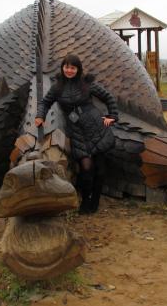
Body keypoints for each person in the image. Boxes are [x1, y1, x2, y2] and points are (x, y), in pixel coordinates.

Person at [35, 54, 118, 214]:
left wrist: (112, 116)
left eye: (73, 67)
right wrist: (40, 116)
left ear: (78, 69)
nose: (69, 70)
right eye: (67, 67)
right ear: (63, 67)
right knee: (86, 167)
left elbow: (108, 97)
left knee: (100, 169)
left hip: (96, 127)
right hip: (78, 131)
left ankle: (95, 202)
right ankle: (85, 201)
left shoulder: (86, 84)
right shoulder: (58, 87)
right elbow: (45, 102)